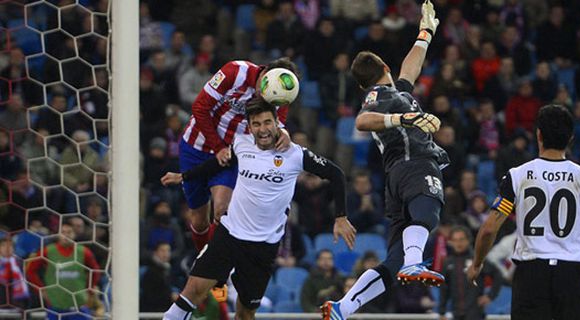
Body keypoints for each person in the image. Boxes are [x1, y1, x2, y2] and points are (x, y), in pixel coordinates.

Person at [161, 100, 356, 320]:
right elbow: (218, 163)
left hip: (263, 247)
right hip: (229, 235)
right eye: (256, 124)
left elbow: (337, 174)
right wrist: (185, 176)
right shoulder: (241, 144)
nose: (262, 129)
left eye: (267, 122)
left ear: (276, 124)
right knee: (194, 290)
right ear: (249, 126)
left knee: (245, 314)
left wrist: (341, 217)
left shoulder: (295, 155)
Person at [322, 2, 447, 319]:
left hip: (396, 178)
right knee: (428, 213)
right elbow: (363, 122)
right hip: (414, 164)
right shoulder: (380, 97)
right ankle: (415, 263)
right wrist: (404, 119)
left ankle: (343, 308)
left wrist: (425, 33)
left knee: (393, 262)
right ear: (384, 70)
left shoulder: (396, 92)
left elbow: (411, 69)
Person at [467, 105, 580, 320]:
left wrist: (477, 263)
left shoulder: (517, 176)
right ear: (571, 138)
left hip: (531, 275)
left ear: (538, 135)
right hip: (572, 275)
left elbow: (489, 228)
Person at [179, 57, 298, 251]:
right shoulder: (235, 72)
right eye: (264, 87)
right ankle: (202, 259)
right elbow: (200, 107)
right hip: (195, 147)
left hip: (231, 156)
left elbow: (277, 125)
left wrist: (283, 133)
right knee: (199, 220)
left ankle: (214, 273)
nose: (265, 96)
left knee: (222, 210)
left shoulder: (281, 93)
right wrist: (217, 146)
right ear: (265, 71)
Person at [438, 226, 503, 320]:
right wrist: (442, 312)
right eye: (455, 240)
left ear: (468, 240)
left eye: (461, 239)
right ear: (451, 242)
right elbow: (444, 288)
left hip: (475, 312)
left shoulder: (477, 259)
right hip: (456, 313)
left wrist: (490, 296)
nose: (458, 243)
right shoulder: (448, 263)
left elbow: (497, 275)